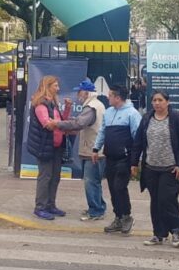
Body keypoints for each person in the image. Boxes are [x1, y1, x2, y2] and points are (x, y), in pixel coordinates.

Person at [133, 91, 179, 248]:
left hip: (170, 169)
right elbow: (138, 141)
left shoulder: (176, 119)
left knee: (166, 200)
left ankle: (177, 230)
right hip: (151, 168)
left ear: (167, 102)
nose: (157, 103)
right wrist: (134, 163)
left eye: (160, 100)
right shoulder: (147, 118)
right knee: (155, 202)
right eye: (154, 100)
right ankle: (158, 234)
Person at [50, 80, 107, 221]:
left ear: (86, 93)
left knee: (90, 181)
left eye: (79, 92)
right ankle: (99, 207)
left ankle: (95, 211)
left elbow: (79, 123)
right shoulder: (96, 105)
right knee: (95, 181)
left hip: (92, 151)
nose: (77, 95)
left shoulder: (91, 107)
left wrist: (58, 124)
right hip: (95, 149)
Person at [93, 84, 142, 234]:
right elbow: (102, 132)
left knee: (120, 187)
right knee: (113, 188)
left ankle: (127, 216)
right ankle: (118, 217)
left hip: (124, 158)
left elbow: (138, 138)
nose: (108, 98)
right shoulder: (108, 112)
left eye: (110, 96)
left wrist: (136, 160)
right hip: (110, 157)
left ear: (117, 97)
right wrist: (96, 149)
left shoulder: (132, 114)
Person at [27, 75, 72, 220]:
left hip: (56, 146)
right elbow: (47, 123)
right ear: (48, 86)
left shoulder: (53, 103)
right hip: (45, 146)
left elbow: (61, 121)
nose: (58, 89)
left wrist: (68, 108)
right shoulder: (41, 104)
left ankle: (50, 205)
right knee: (45, 177)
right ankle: (40, 207)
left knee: (55, 176)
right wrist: (59, 124)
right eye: (55, 86)